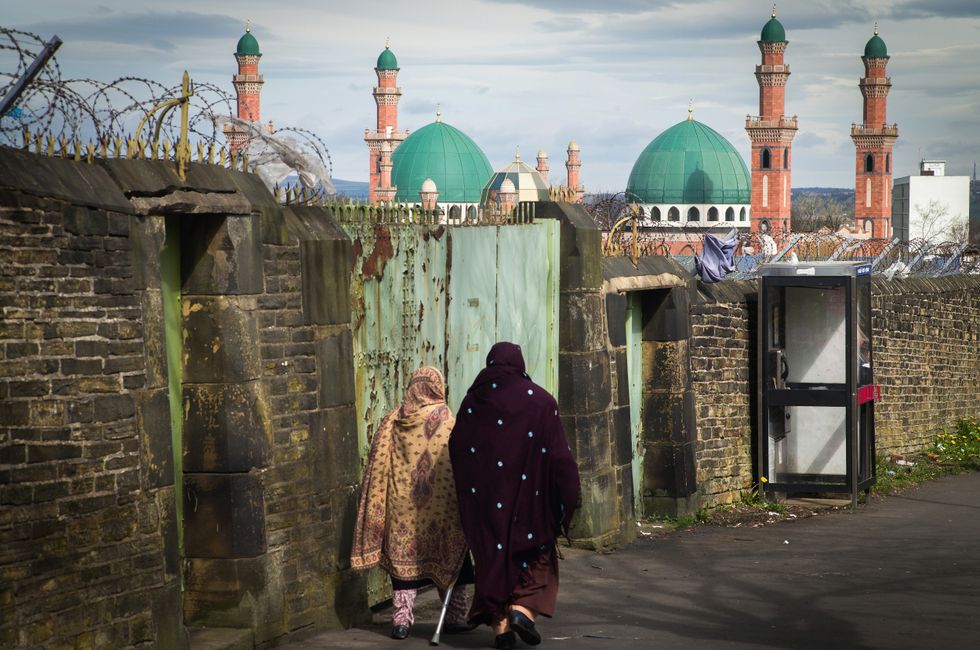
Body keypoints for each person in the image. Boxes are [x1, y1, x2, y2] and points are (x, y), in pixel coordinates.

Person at [449, 342, 581, 649]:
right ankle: (522, 611)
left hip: (486, 504)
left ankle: (502, 632)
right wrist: (567, 500)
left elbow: (457, 448)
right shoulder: (541, 402)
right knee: (537, 558)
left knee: (493, 561)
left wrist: (472, 493)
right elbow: (560, 459)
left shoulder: (472, 402)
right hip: (529, 502)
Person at [350, 366, 473, 640]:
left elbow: (379, 465)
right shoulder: (447, 419)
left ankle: (402, 622)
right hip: (441, 511)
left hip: (403, 509)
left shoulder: (394, 421)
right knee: (452, 561)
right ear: (436, 388)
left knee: (403, 569)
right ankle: (454, 617)